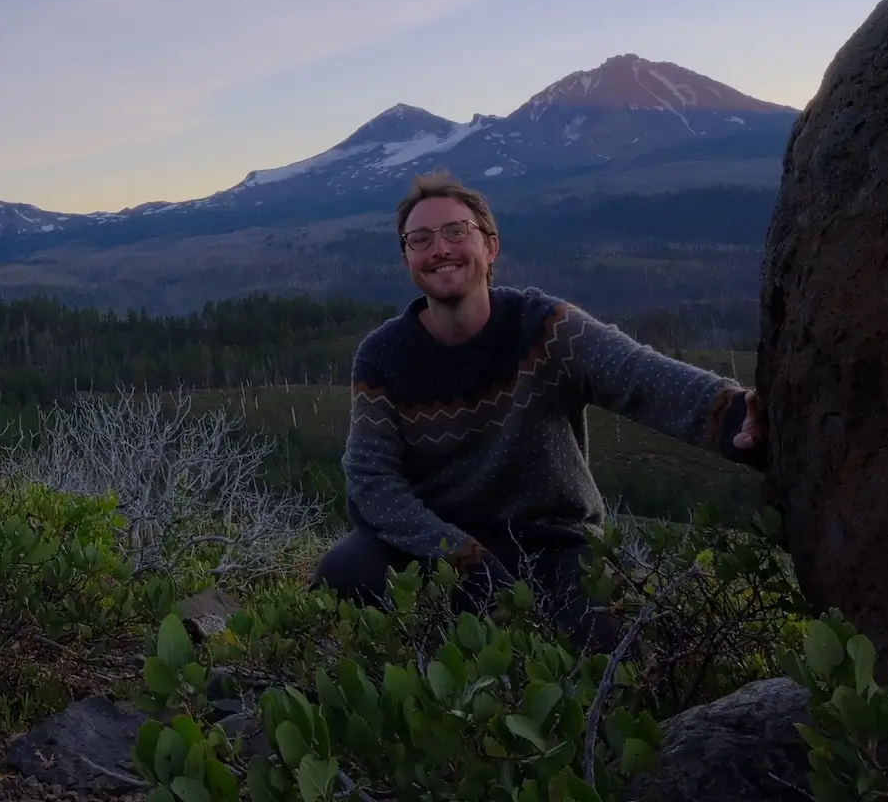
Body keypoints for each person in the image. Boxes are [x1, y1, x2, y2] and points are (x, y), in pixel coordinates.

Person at [314, 171, 768, 643]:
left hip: (554, 542)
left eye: (456, 231)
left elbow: (642, 377)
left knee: (598, 654)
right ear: (407, 257)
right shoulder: (383, 355)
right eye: (420, 239)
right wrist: (461, 556)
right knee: (346, 570)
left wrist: (738, 416)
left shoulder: (544, 328)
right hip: (438, 547)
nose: (440, 248)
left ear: (490, 247)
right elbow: (371, 480)